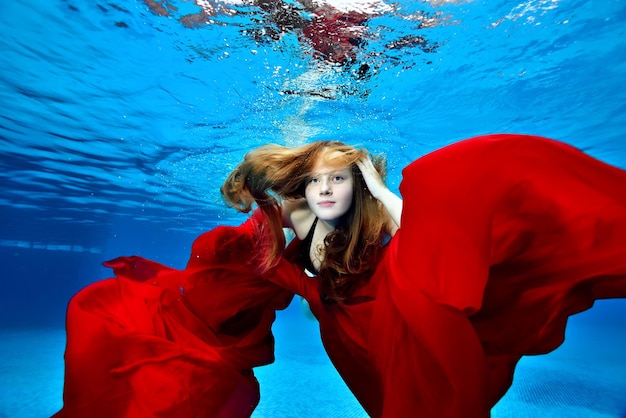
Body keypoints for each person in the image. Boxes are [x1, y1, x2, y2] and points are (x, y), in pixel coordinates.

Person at [221, 134, 626, 417]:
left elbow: (422, 244)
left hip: (388, 319)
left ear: (357, 185)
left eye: (338, 179)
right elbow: (257, 207)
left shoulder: (376, 214)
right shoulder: (296, 211)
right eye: (314, 181)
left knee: (424, 400)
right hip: (338, 321)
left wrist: (380, 191)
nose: (324, 190)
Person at [53, 212, 293, 417]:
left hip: (206, 319)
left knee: (184, 387)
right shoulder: (263, 274)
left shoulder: (248, 269)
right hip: (209, 322)